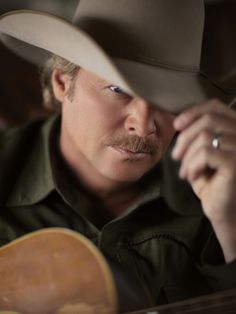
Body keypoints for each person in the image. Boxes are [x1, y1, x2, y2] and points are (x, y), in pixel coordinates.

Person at [0, 0, 236, 309]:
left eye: (166, 97)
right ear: (61, 82)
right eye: (117, 90)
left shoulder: (220, 190)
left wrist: (229, 222)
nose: (144, 125)